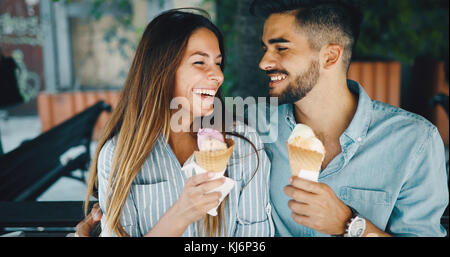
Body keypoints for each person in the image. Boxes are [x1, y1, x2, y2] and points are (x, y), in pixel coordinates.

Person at [249, 0, 448, 237]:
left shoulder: (415, 142)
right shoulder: (252, 128)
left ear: (330, 56)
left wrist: (350, 224)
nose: (264, 63)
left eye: (281, 48)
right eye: (265, 49)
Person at [84, 9, 272, 237]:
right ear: (161, 70)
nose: (218, 76)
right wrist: (180, 214)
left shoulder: (243, 144)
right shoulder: (118, 156)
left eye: (218, 63)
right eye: (200, 62)